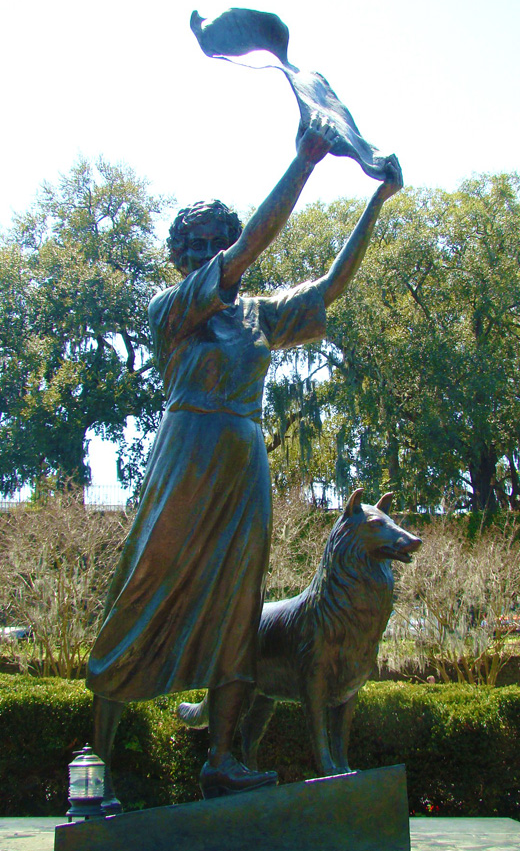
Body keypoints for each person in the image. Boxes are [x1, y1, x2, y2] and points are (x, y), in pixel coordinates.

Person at [85, 115, 402, 806]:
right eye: (191, 244)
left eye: (213, 241)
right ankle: (97, 763)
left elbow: (330, 285)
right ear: (181, 257)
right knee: (139, 593)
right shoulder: (173, 309)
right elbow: (255, 243)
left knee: (239, 604)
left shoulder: (258, 315)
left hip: (244, 464)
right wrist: (305, 162)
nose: (204, 251)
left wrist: (376, 201)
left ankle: (225, 756)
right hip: (186, 459)